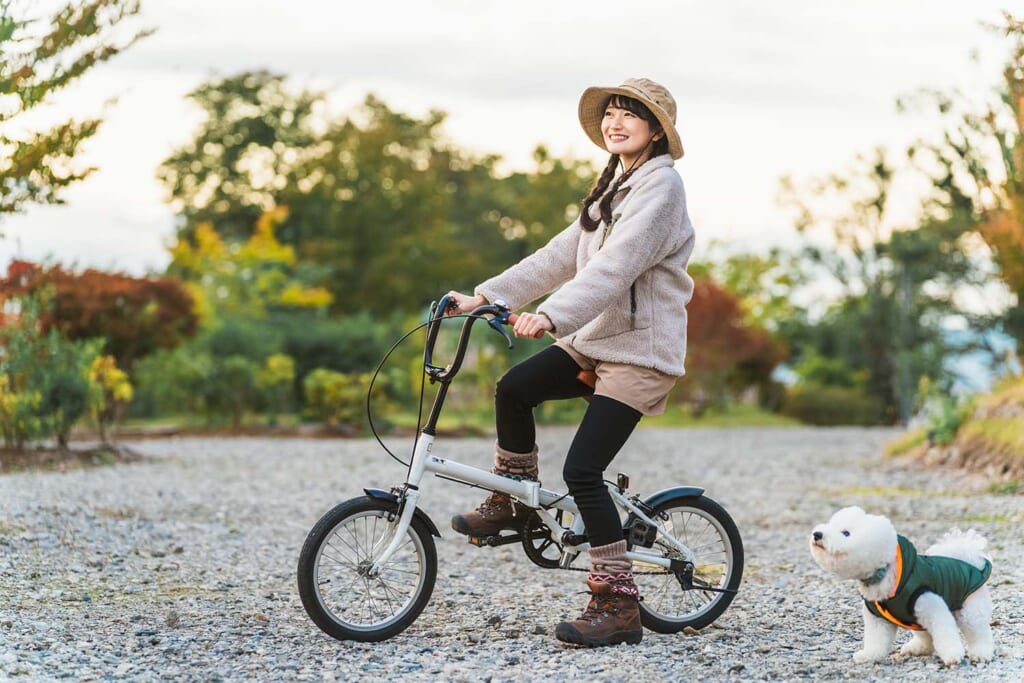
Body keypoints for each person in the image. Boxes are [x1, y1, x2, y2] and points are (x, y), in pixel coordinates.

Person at [445, 77, 695, 647]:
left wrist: (551, 317)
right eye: (611, 113)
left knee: (583, 472)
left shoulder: (662, 190)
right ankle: (513, 501)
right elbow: (558, 256)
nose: (616, 121)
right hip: (593, 341)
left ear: (656, 130)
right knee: (514, 388)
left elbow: (616, 268)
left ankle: (617, 604)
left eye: (631, 114)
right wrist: (487, 297)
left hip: (639, 353)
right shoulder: (613, 188)